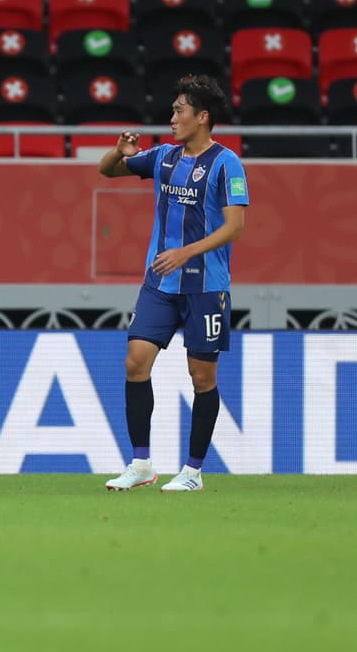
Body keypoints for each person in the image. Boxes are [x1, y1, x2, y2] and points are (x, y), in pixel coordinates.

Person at [97, 74, 249, 494]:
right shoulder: (163, 157)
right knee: (135, 362)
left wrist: (186, 252)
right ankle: (140, 464)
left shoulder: (227, 164)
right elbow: (107, 171)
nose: (172, 118)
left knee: (202, 377)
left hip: (206, 286)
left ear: (202, 117)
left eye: (180, 111)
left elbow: (235, 226)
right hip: (160, 282)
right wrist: (119, 152)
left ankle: (193, 472)